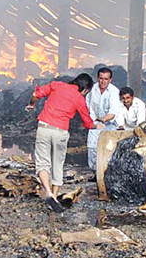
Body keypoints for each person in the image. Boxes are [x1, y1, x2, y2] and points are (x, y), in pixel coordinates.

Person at [26, 73, 95, 212]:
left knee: (42, 163)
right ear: (85, 89)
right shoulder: (79, 98)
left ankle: (48, 192)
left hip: (44, 127)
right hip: (61, 132)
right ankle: (55, 196)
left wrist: (31, 104)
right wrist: (96, 125)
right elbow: (87, 120)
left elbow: (36, 94)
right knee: (58, 164)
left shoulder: (56, 85)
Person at [86, 67, 121, 172]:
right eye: (101, 78)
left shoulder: (114, 91)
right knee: (92, 148)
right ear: (97, 78)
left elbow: (113, 111)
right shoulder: (92, 89)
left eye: (106, 79)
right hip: (94, 122)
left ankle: (108, 173)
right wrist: (91, 118)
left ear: (110, 80)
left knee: (109, 149)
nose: (103, 81)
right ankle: (95, 173)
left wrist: (103, 119)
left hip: (109, 123)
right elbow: (87, 102)